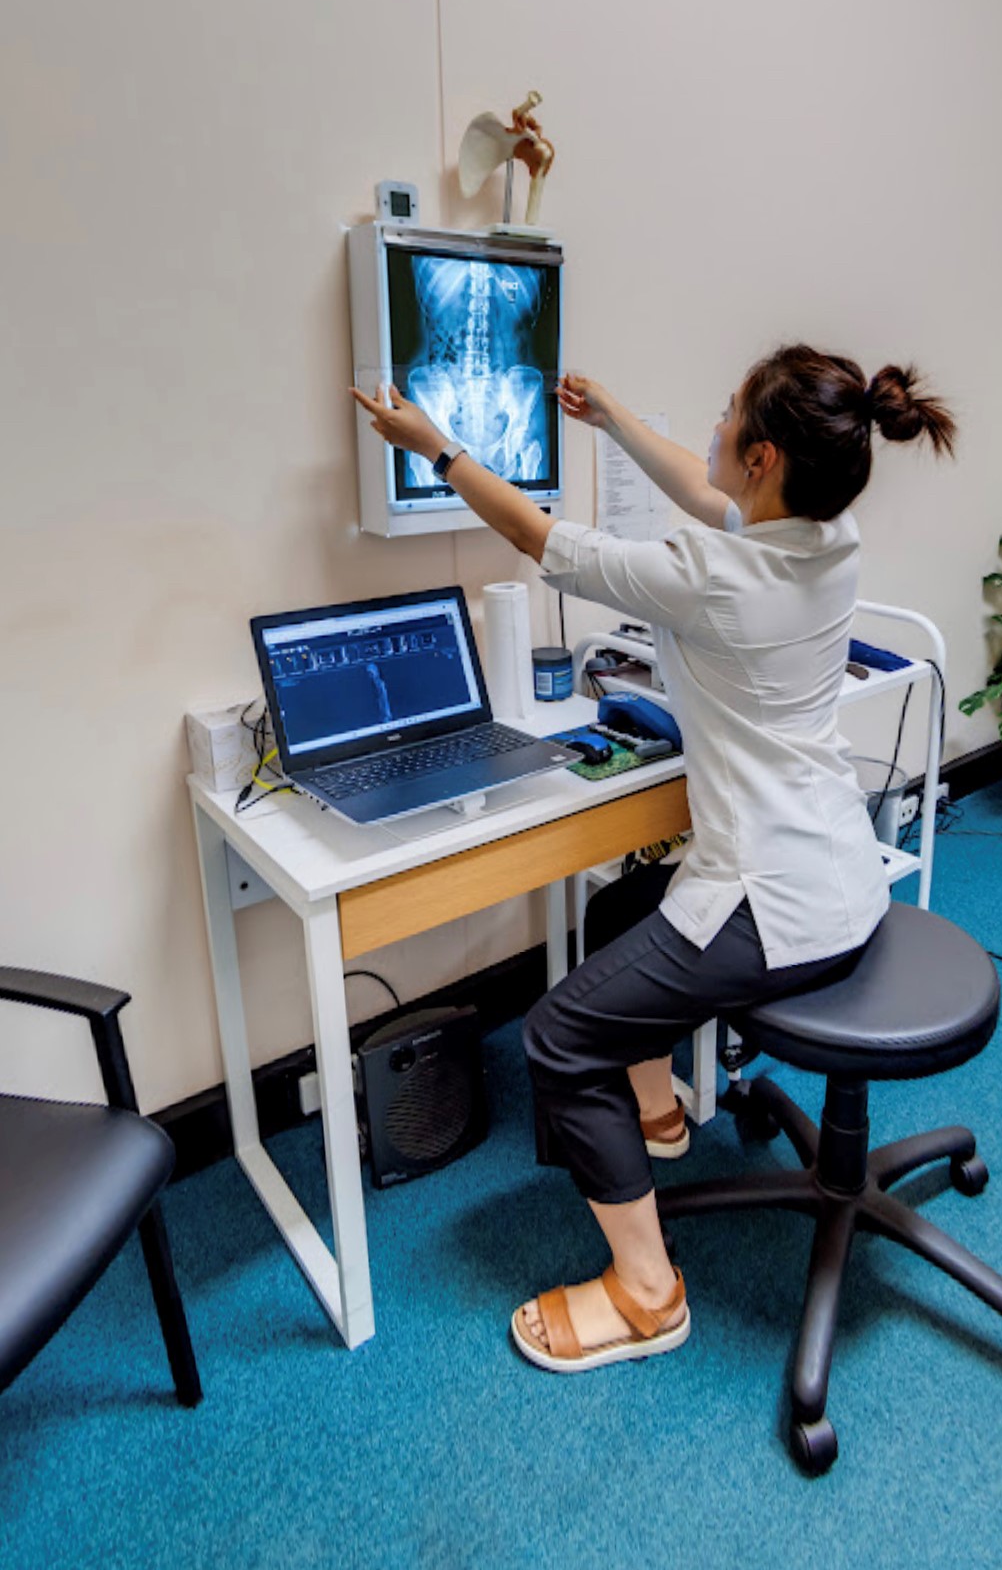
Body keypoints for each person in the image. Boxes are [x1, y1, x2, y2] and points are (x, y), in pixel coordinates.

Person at [351, 344, 956, 1376]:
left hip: (770, 901)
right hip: (840, 865)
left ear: (763, 458)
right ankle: (658, 1114)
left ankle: (646, 1291)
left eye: (727, 414)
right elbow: (707, 492)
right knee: (619, 911)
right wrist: (615, 421)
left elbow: (539, 537)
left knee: (556, 1037)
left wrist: (436, 449)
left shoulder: (713, 576)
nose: (711, 427)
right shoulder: (827, 535)